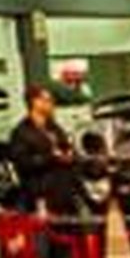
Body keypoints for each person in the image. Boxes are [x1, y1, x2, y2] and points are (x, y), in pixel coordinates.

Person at [7, 85, 83, 214]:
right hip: (40, 186)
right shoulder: (21, 132)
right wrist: (51, 157)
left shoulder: (53, 127)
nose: (52, 104)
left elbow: (66, 146)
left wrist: (70, 153)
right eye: (47, 100)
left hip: (64, 182)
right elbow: (23, 163)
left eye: (52, 101)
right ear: (35, 102)